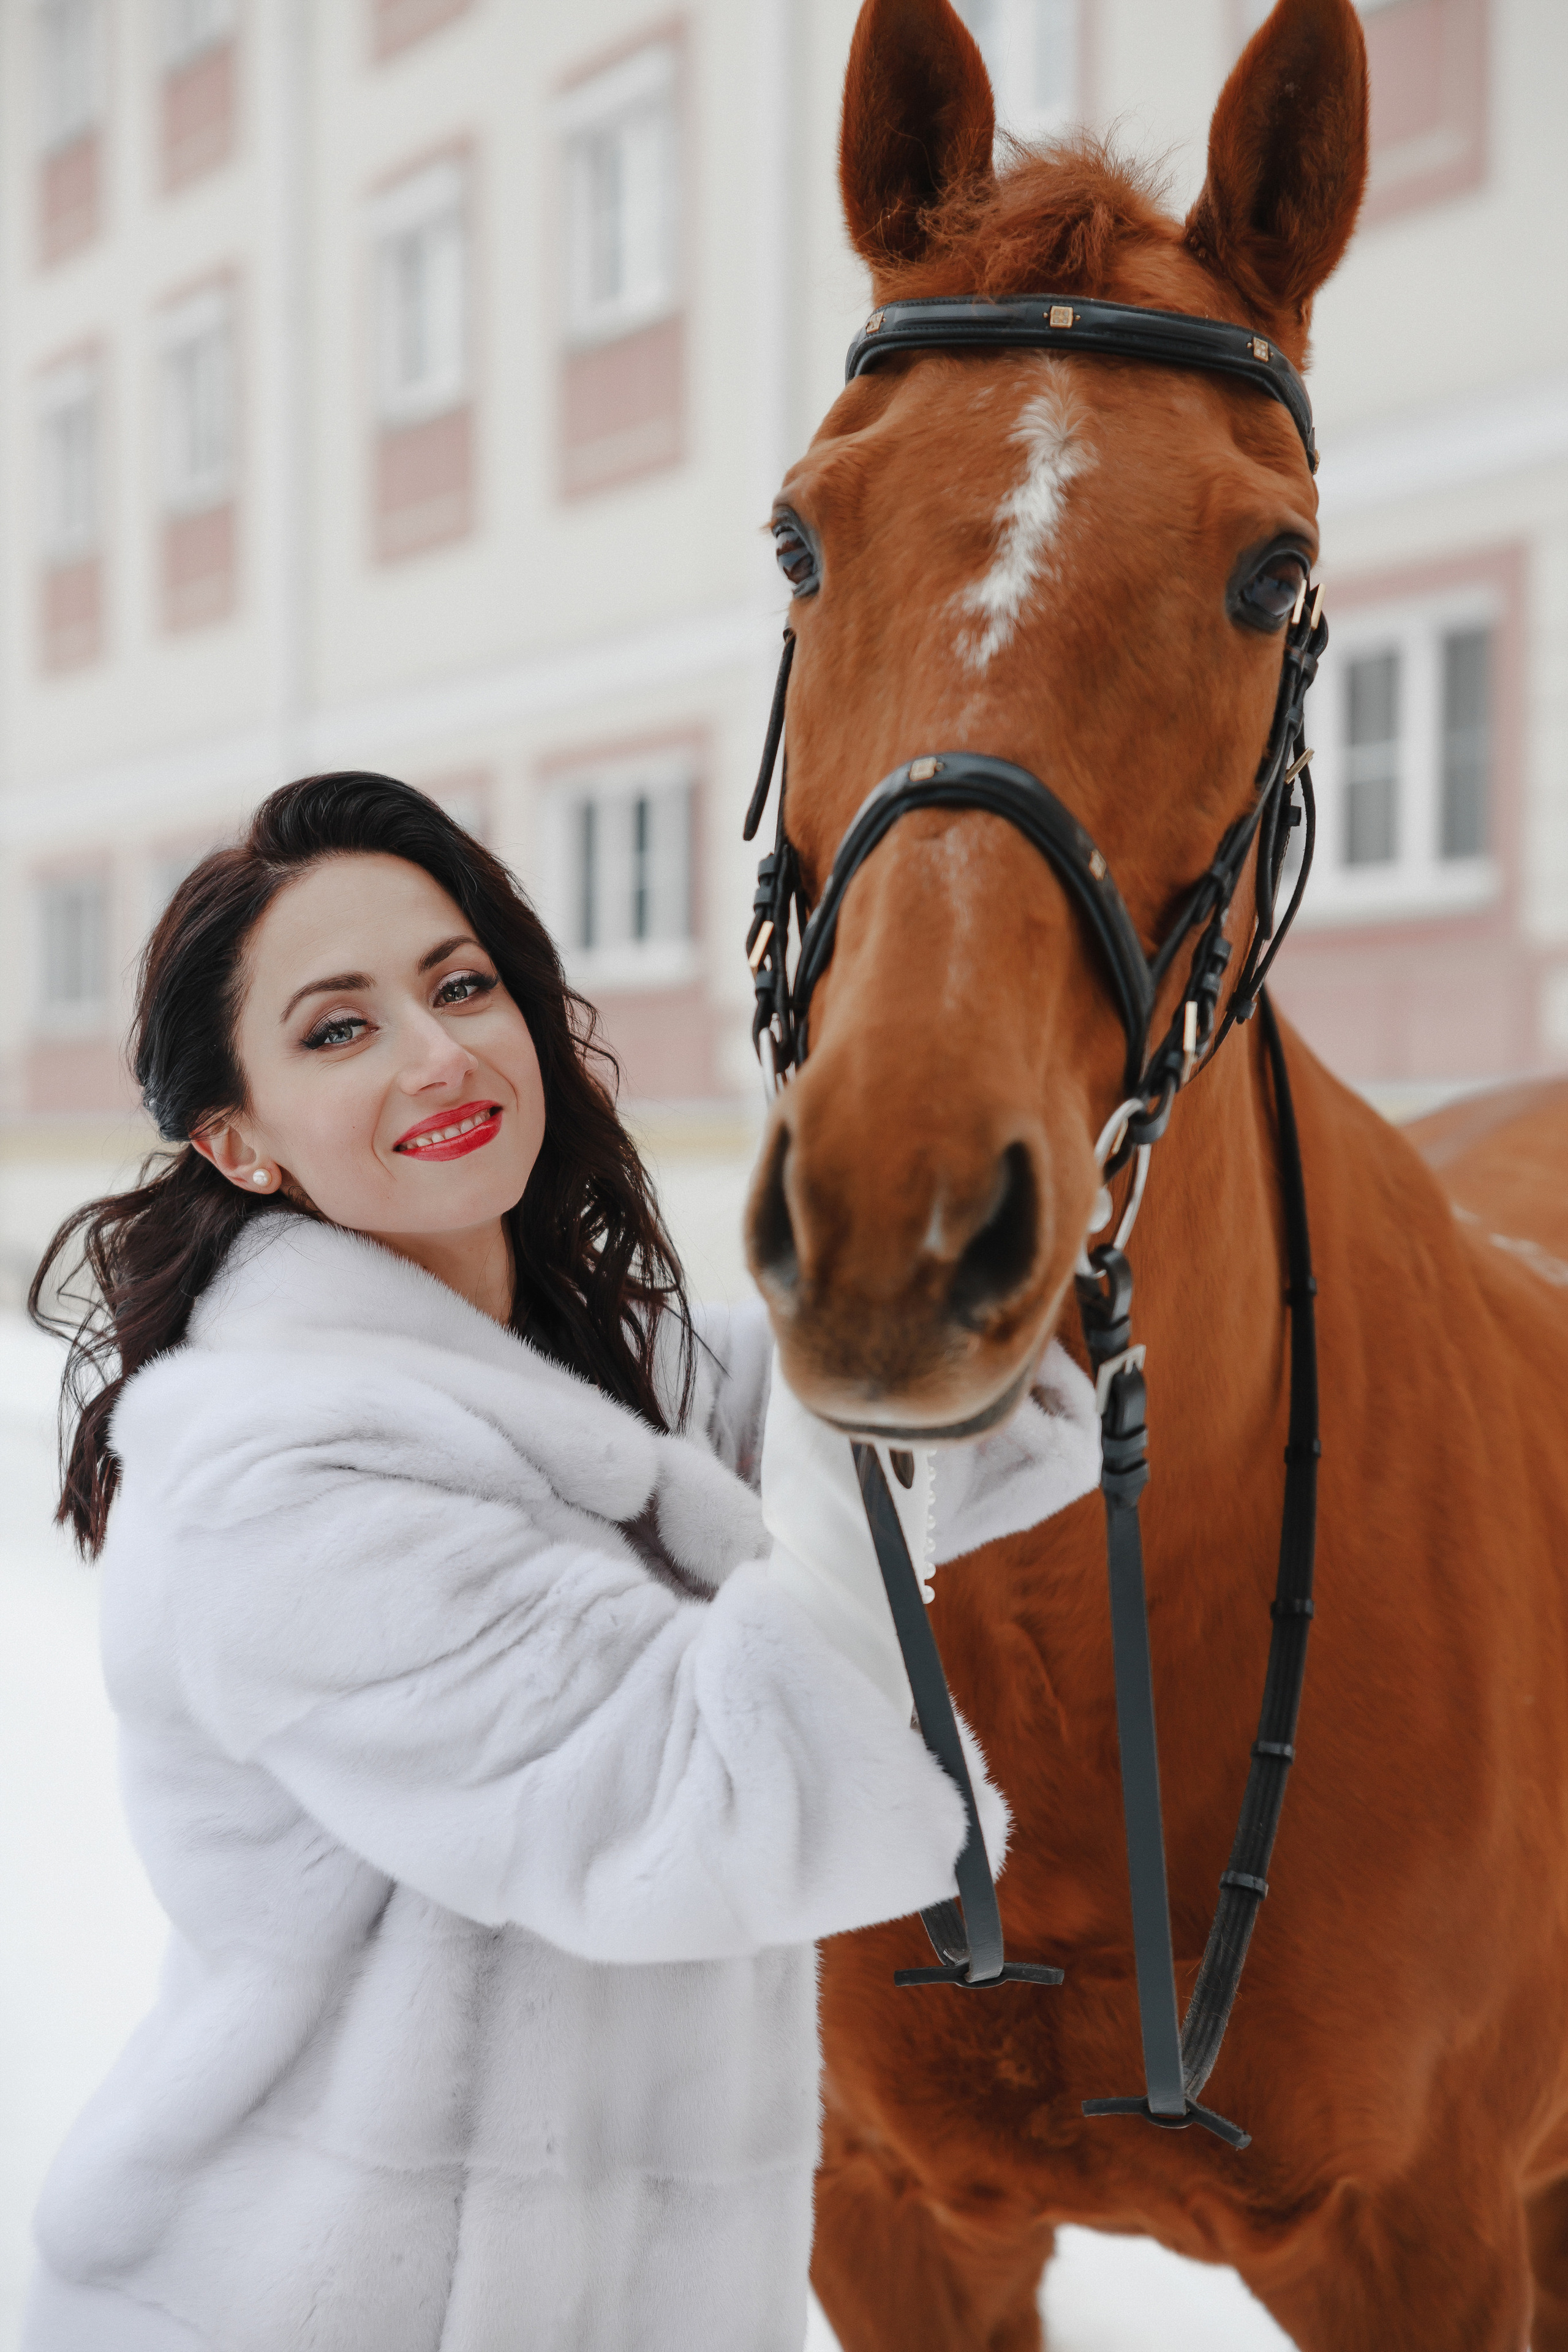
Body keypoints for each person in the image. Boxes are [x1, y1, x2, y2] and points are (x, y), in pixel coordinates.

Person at [23, 772, 1099, 2352]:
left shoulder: (596, 1378)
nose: (441, 1049)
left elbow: (986, 1416)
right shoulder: (277, 1481)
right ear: (237, 1141)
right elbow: (724, 1803)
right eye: (340, 1028)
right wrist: (863, 1341)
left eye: (461, 985)